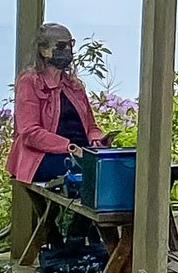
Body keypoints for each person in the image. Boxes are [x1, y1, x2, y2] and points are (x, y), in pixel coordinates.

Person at [8, 22, 108, 185]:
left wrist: (97, 139)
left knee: (117, 165)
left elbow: (91, 126)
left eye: (70, 45)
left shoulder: (74, 85)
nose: (67, 51)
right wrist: (70, 147)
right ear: (43, 50)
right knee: (93, 172)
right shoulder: (29, 82)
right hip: (44, 156)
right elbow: (29, 133)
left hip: (81, 153)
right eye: (61, 46)